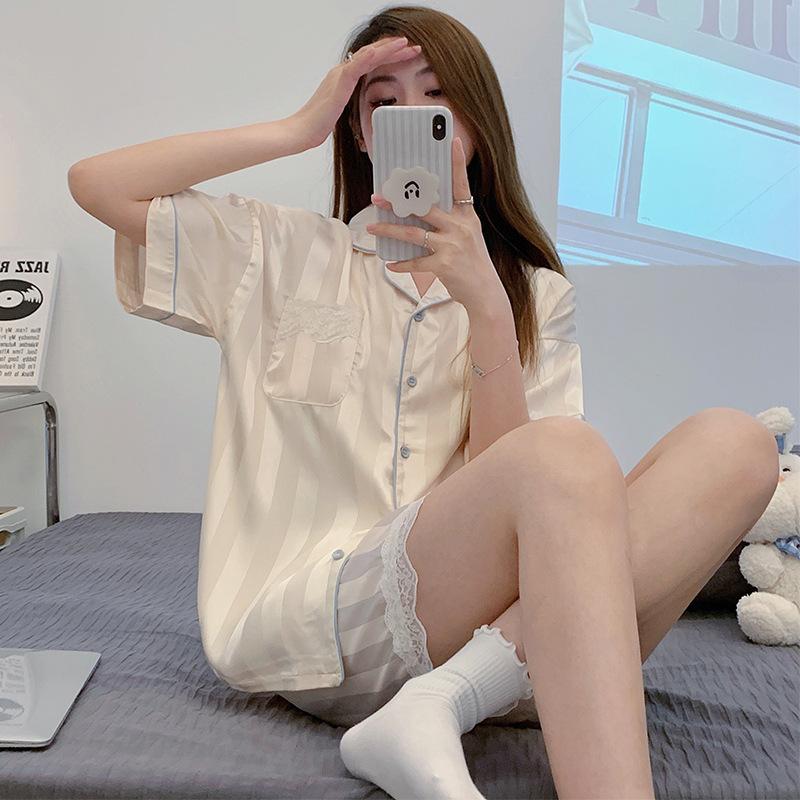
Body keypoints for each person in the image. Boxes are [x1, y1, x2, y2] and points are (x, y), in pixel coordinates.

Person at [67, 5, 779, 800]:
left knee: (738, 443)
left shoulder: (533, 295)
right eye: (383, 103)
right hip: (325, 627)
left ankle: (444, 700)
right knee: (567, 453)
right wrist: (297, 129)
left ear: (474, 123)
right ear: (359, 132)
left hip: (499, 642)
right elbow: (98, 184)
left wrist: (488, 314)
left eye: (437, 97)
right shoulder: (278, 252)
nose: (413, 115)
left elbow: (516, 495)